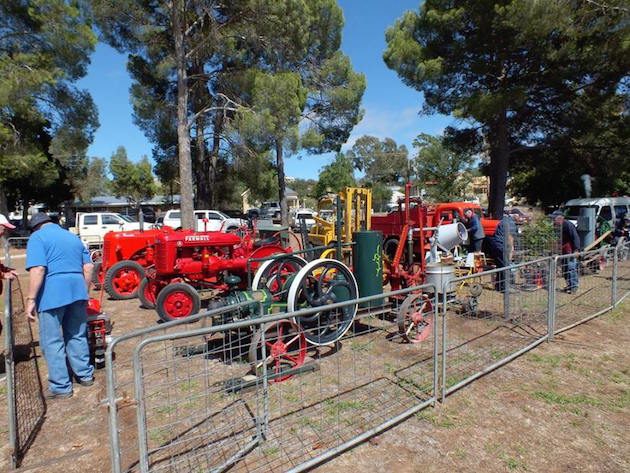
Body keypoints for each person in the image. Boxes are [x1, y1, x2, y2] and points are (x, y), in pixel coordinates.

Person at [25, 212, 95, 399]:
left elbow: (38, 269)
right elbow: (88, 268)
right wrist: (85, 291)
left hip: (51, 295)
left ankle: (61, 386)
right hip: (77, 291)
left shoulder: (37, 238)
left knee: (52, 341)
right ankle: (85, 375)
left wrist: (31, 299)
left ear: (35, 227)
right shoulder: (73, 237)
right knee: (77, 335)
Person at [484, 215, 517, 292]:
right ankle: (505, 287)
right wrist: (511, 250)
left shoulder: (503, 220)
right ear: (516, 216)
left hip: (494, 244)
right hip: (500, 245)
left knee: (500, 266)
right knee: (505, 266)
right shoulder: (511, 223)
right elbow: (510, 238)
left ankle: (498, 286)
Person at [553, 211, 580, 293]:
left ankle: (574, 286)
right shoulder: (557, 226)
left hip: (570, 250)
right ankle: (569, 285)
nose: (553, 220)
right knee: (565, 268)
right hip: (563, 250)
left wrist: (576, 249)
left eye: (554, 219)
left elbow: (575, 237)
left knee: (571, 267)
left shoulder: (568, 225)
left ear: (560, 218)